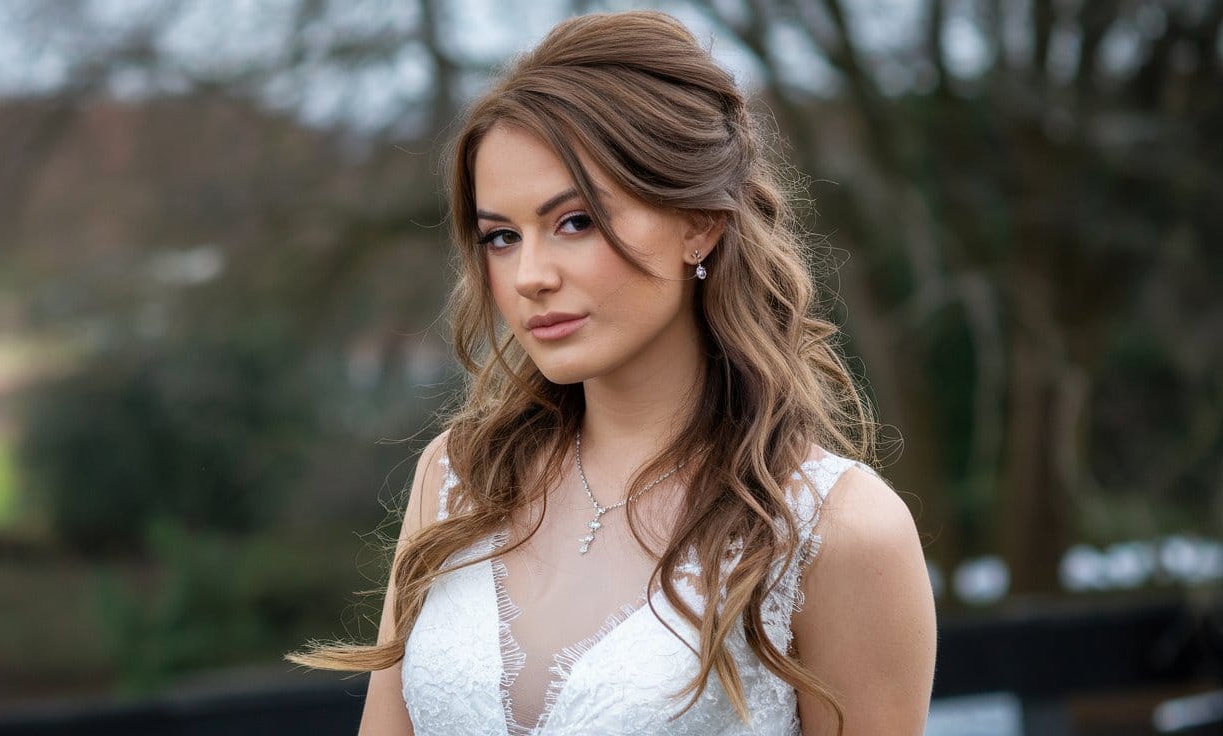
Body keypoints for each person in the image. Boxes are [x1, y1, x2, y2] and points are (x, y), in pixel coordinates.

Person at [289, 10, 936, 735]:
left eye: (576, 222)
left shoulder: (838, 530)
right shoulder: (460, 479)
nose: (529, 276)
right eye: (501, 237)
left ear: (699, 223)